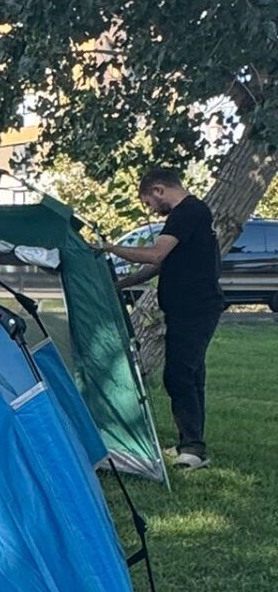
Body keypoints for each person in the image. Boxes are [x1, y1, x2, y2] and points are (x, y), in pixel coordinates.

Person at [102, 166, 224, 468]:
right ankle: (190, 443)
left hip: (194, 309)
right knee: (192, 375)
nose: (151, 210)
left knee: (179, 375)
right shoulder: (189, 214)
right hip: (187, 308)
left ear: (159, 190)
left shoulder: (187, 212)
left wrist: (109, 248)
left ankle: (193, 450)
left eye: (149, 202)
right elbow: (161, 265)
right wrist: (122, 284)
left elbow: (156, 254)